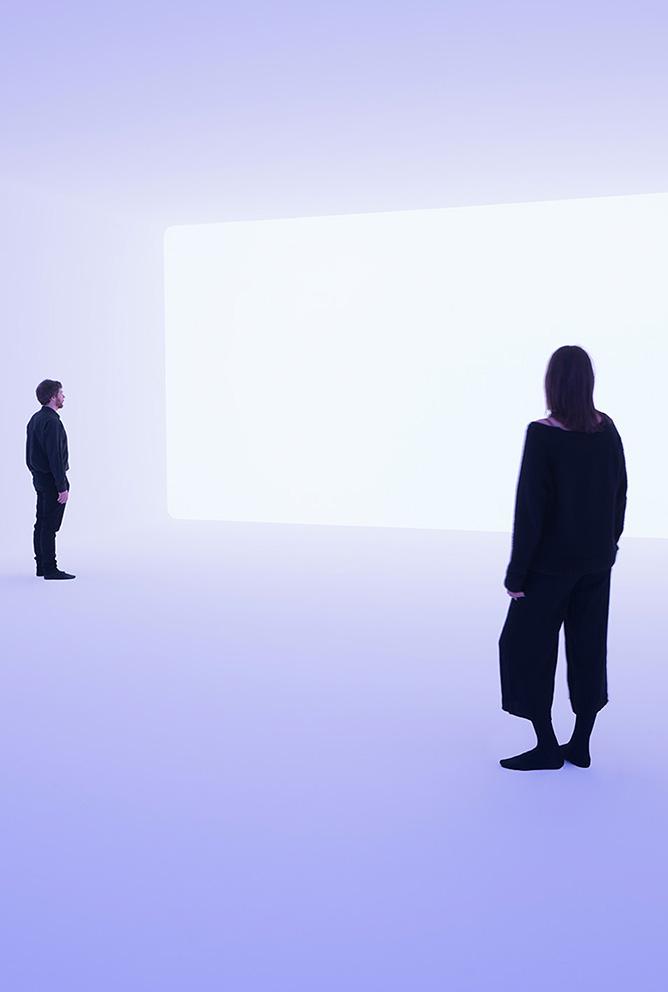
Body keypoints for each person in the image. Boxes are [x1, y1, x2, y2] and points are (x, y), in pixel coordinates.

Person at [498, 346, 627, 770]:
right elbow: (619, 494)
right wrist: (609, 545)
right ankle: (581, 744)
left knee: (525, 647)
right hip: (596, 563)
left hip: (548, 568)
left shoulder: (543, 434)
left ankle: (548, 746)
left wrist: (517, 575)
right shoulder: (606, 428)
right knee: (589, 648)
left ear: (552, 383)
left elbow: (531, 512)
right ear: (588, 383)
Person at [26, 380, 76, 580]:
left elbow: (29, 456)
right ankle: (50, 568)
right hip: (52, 481)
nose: (64, 396)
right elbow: (55, 457)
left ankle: (41, 566)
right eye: (61, 393)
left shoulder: (35, 419)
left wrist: (37, 475)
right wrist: (61, 486)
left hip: (40, 480)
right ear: (53, 397)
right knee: (50, 526)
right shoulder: (52, 422)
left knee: (41, 523)